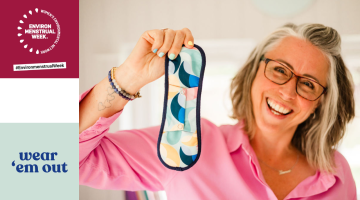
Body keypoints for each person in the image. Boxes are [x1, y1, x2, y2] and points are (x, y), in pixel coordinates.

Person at [79, 23, 357, 200]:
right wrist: (126, 79)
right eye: (279, 70)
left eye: (308, 84)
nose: (287, 91)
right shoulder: (184, 143)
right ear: (253, 73)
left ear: (321, 101)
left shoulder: (336, 173)